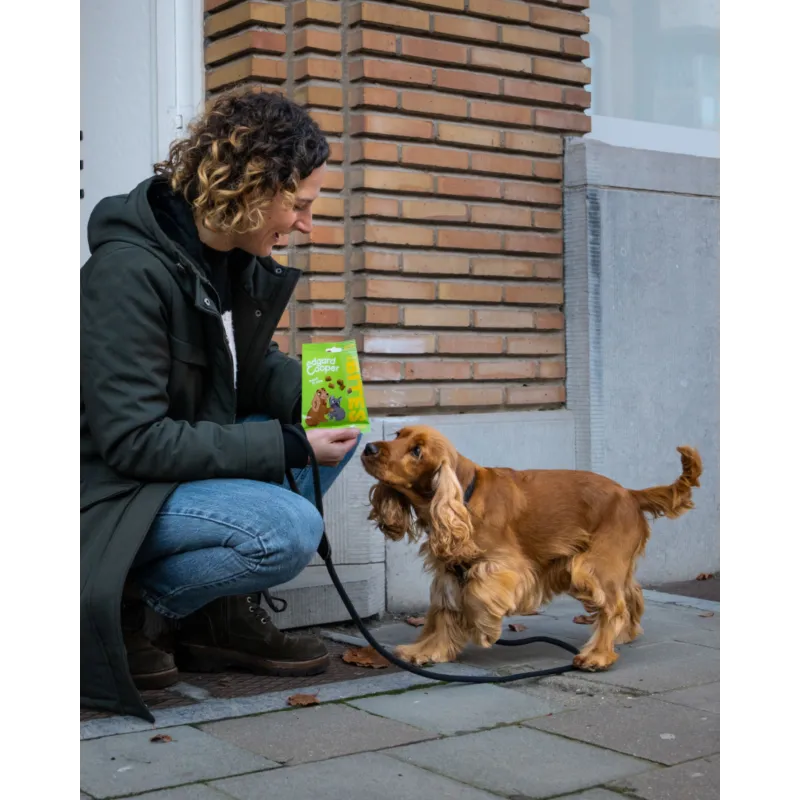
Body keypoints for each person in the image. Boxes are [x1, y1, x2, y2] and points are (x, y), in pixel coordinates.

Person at [80, 89, 360, 722]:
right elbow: (134, 441)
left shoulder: (230, 260)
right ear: (254, 186)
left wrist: (331, 390)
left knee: (340, 421)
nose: (307, 226)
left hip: (168, 471)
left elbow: (246, 368)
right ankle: (122, 604)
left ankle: (217, 618)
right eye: (301, 205)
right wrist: (292, 445)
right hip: (112, 489)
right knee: (286, 530)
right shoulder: (126, 273)